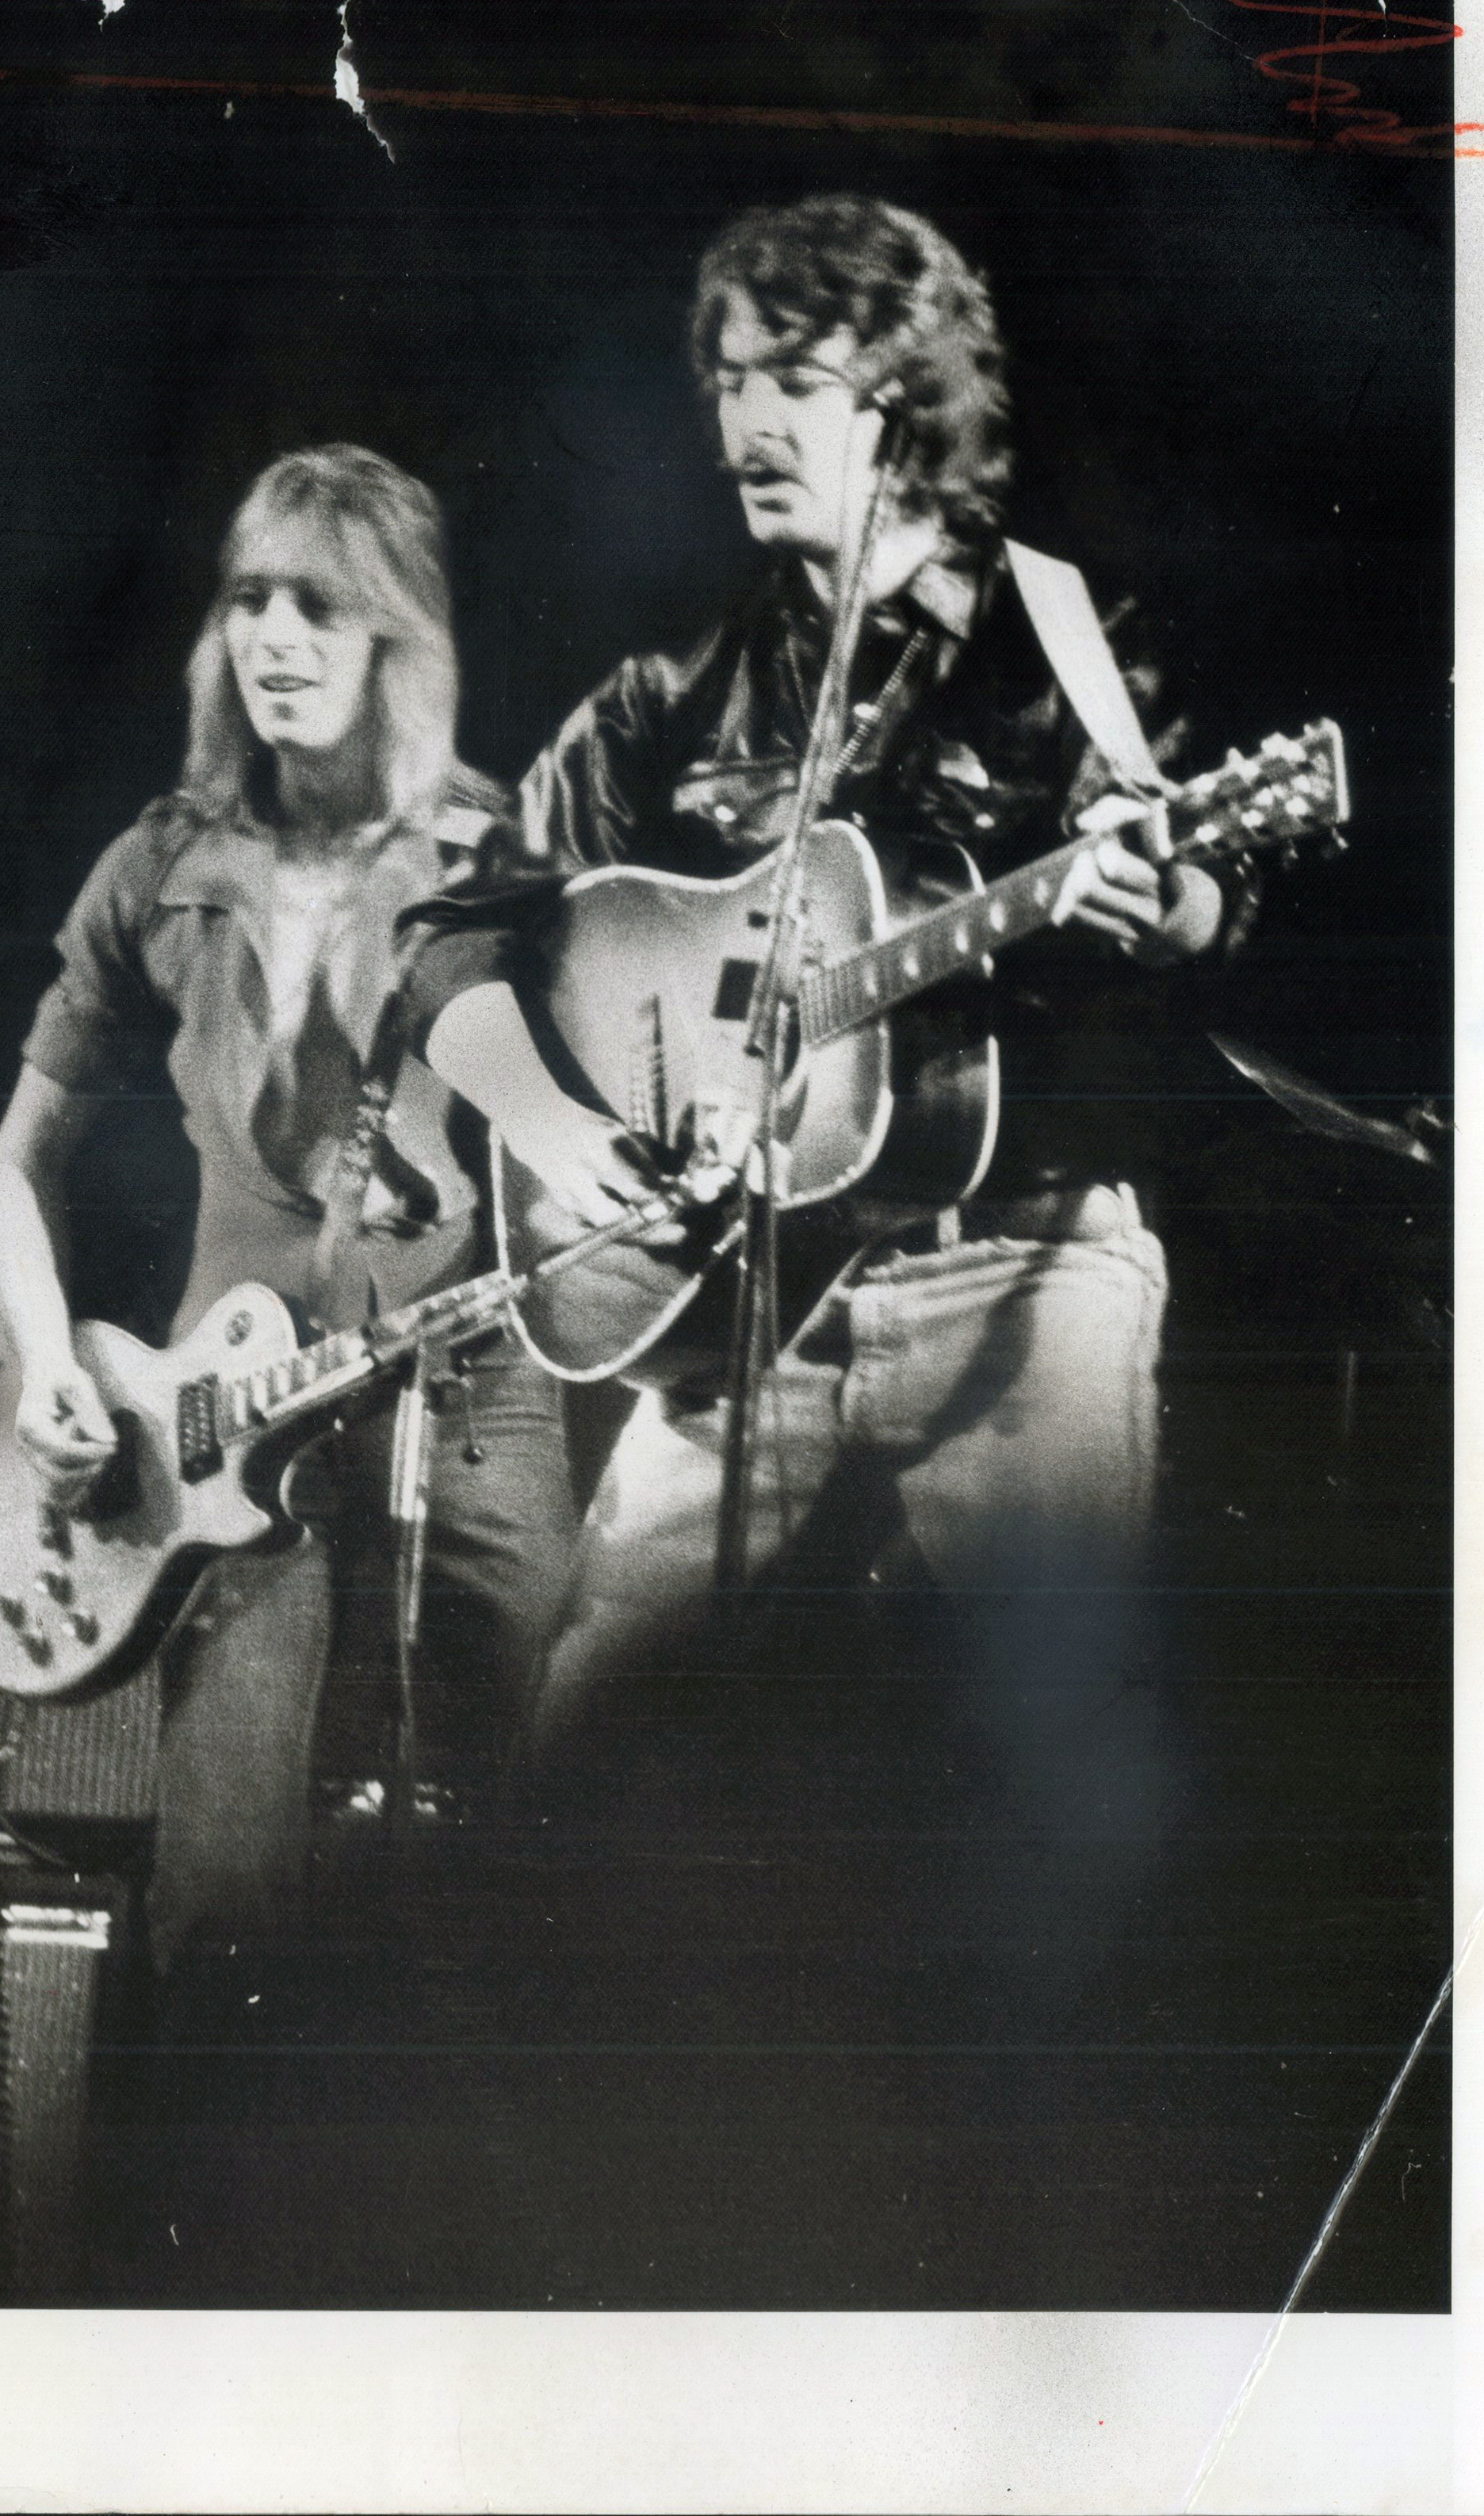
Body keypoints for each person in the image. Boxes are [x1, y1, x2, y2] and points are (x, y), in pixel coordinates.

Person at [423, 195, 1250, 1814]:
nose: (743, 421)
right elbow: (450, 936)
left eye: (788, 377)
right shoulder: (679, 689)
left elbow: (1207, 909)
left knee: (1057, 1783)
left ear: (905, 395)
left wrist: (1168, 897)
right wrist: (553, 1126)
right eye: (728, 380)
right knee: (579, 1777)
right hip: (755, 1296)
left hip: (1017, 1276)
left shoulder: (1070, 643)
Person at [0, 445, 578, 1986]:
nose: (277, 640)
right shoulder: (166, 867)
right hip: (224, 1419)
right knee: (226, 1894)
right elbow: (11, 1168)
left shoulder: (492, 858)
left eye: (321, 604)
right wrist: (50, 1367)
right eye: (251, 599)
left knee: (510, 1886)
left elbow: (568, 1112)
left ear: (398, 637)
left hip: (470, 1405)